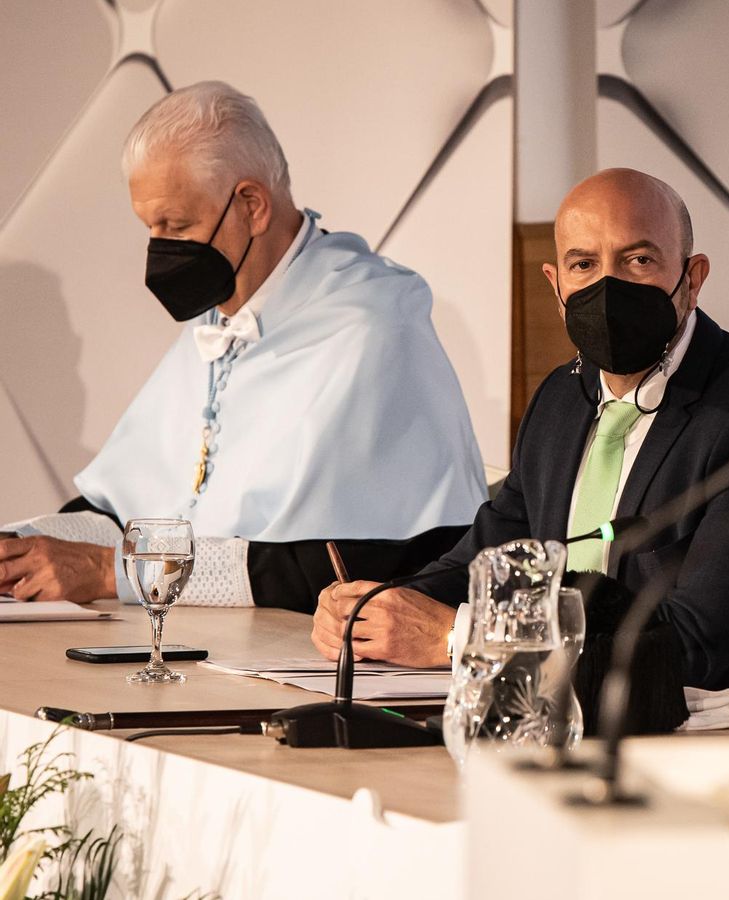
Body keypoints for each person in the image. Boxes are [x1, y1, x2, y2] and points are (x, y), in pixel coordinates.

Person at [311, 168, 729, 724]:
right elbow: (485, 560)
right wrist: (374, 610)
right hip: (569, 720)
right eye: (584, 264)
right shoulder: (564, 396)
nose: (609, 287)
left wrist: (457, 637)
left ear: (693, 276)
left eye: (639, 260)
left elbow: (690, 648)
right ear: (556, 286)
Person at [0, 82, 485, 611]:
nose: (159, 249)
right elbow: (134, 509)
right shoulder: (220, 315)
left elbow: (336, 564)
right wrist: (22, 546)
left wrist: (111, 571)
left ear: (252, 205)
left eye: (176, 225)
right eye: (150, 227)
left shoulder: (371, 326)